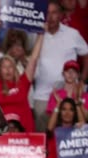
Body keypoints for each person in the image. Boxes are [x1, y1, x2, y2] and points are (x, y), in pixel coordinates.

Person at [32, 0, 88, 132]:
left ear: (61, 15)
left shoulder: (72, 34)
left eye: (54, 13)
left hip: (70, 94)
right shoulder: (35, 34)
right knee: (44, 133)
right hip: (43, 94)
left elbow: (86, 55)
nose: (50, 17)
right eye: (47, 13)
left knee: (75, 132)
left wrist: (82, 80)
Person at [0, 18, 44, 132]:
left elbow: (33, 59)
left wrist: (41, 35)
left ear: (15, 70)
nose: (8, 70)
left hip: (25, 134)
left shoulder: (23, 83)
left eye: (11, 67)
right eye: (4, 67)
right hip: (2, 134)